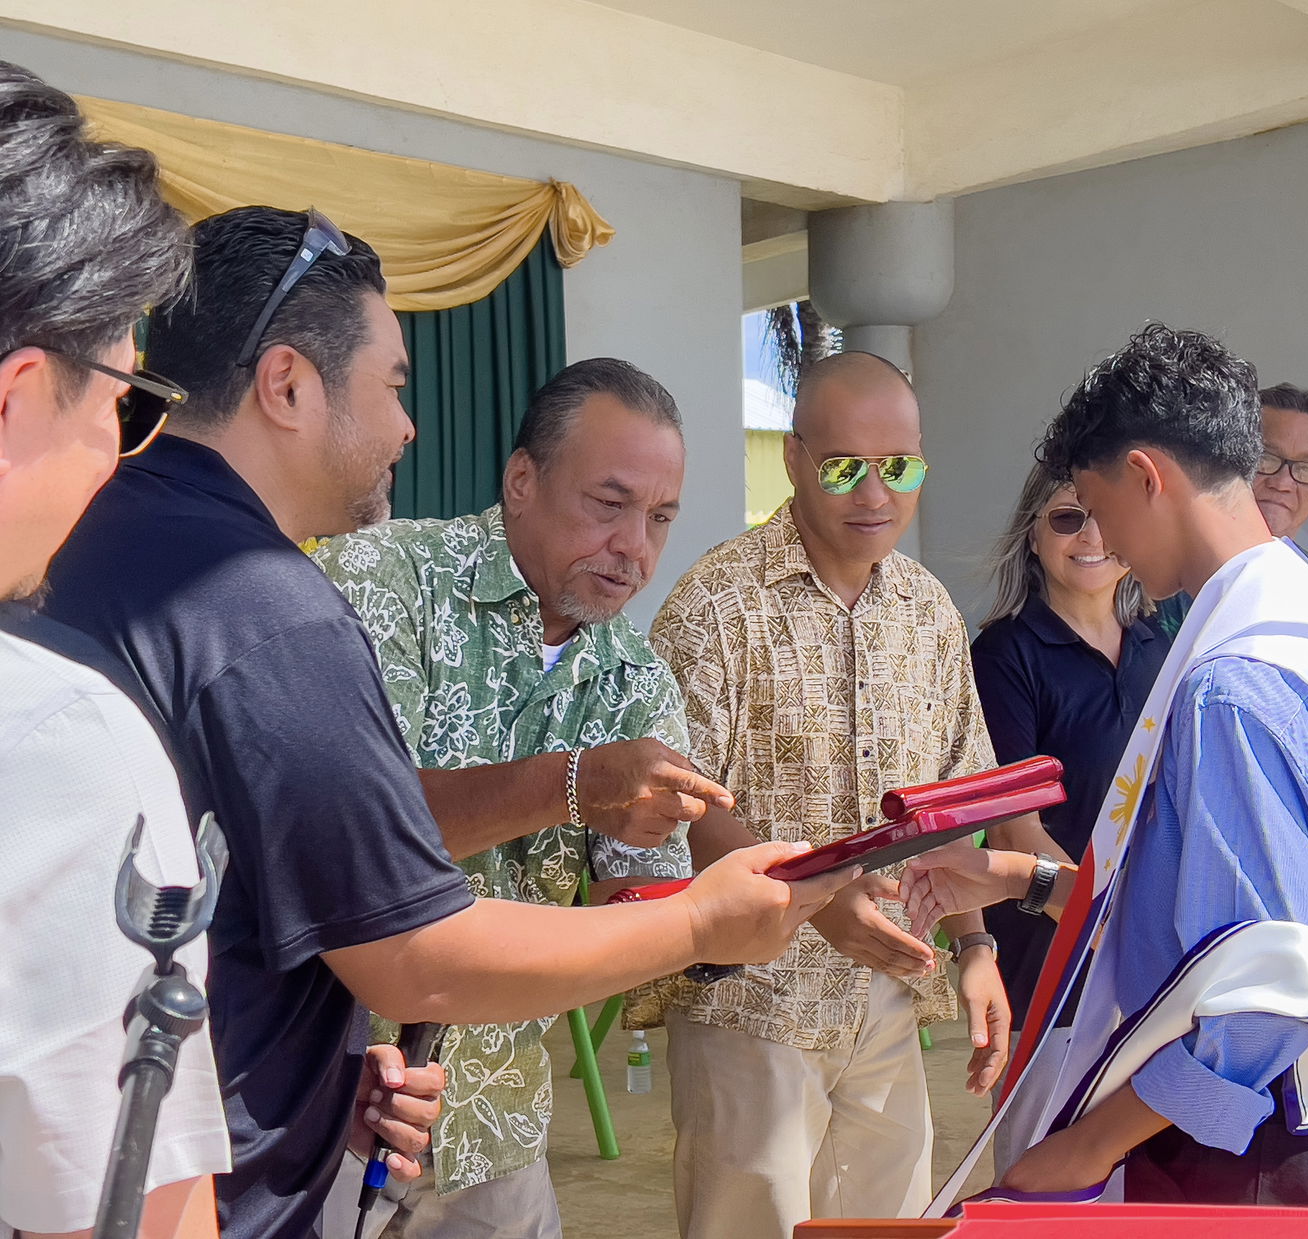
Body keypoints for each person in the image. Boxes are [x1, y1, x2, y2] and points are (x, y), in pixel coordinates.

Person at [42, 205, 852, 1239]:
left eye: (659, 518)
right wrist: (693, 915)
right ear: (288, 385)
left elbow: (236, 878)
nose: (406, 430)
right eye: (391, 386)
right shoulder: (281, 603)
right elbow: (406, 946)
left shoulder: (84, 539)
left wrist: (775, 891)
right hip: (197, 1167)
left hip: (331, 1112)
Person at [904, 324, 1308, 1208]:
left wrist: (1087, 1145)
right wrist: (1023, 877)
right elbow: (1203, 914)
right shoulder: (1306, 628)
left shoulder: (1231, 684)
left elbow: (1259, 995)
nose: (1108, 542)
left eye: (1100, 507)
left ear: (1146, 476)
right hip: (1305, 1101)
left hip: (1243, 1143)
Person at [314, 357, 736, 1238]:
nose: (636, 548)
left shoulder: (635, 678)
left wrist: (729, 904)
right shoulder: (386, 580)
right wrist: (574, 785)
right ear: (521, 480)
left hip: (498, 1125)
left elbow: (637, 910)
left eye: (660, 518)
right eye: (609, 504)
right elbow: (356, 825)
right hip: (332, 1106)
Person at [637, 351, 1010, 1238]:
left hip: (887, 1004)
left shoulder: (927, 612)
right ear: (796, 458)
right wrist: (815, 898)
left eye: (899, 466)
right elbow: (677, 805)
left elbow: (954, 796)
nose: (874, 491)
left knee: (891, 1227)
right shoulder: (715, 605)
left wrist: (977, 947)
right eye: (845, 466)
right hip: (748, 1002)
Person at [0, 59, 232, 1239]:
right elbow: (130, 1212)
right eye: (125, 404)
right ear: (17, 393)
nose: (120, 452)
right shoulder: (57, 743)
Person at [969, 460, 1170, 1172]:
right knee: (1046, 1179)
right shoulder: (1004, 655)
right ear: (1033, 533)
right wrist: (1103, 919)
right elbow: (1015, 830)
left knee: (1145, 1192)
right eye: (1064, 517)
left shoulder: (1160, 648)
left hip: (1154, 967)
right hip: (1049, 969)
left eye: (1098, 514)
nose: (1088, 534)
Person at [1154, 381, 1308, 637]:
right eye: (1266, 458)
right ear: (1228, 459)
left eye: (1306, 468)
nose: (1283, 483)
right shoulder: (1172, 578)